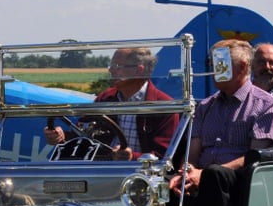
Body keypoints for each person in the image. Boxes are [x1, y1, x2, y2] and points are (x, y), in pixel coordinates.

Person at [169, 39, 273, 206]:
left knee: (215, 175)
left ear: (242, 67)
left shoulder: (267, 105)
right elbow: (193, 149)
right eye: (213, 63)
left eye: (221, 64)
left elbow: (256, 156)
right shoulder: (205, 106)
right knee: (162, 185)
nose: (214, 70)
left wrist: (202, 175)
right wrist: (185, 172)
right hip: (204, 174)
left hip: (241, 181)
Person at [45, 47, 178, 159]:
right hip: (102, 172)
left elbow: (164, 156)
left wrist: (133, 157)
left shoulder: (163, 106)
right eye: (111, 65)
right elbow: (82, 134)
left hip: (141, 177)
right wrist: (61, 137)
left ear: (139, 70)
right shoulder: (105, 98)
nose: (111, 70)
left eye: (117, 66)